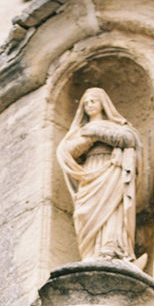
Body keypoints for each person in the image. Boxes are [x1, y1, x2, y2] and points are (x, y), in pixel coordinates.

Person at [57, 87, 146, 267]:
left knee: (112, 210)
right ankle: (91, 253)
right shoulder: (80, 131)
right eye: (86, 103)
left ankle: (112, 248)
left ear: (102, 104)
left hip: (111, 169)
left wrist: (97, 133)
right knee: (84, 213)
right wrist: (90, 138)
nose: (90, 106)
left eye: (93, 102)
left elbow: (129, 139)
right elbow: (69, 152)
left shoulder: (116, 126)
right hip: (89, 171)